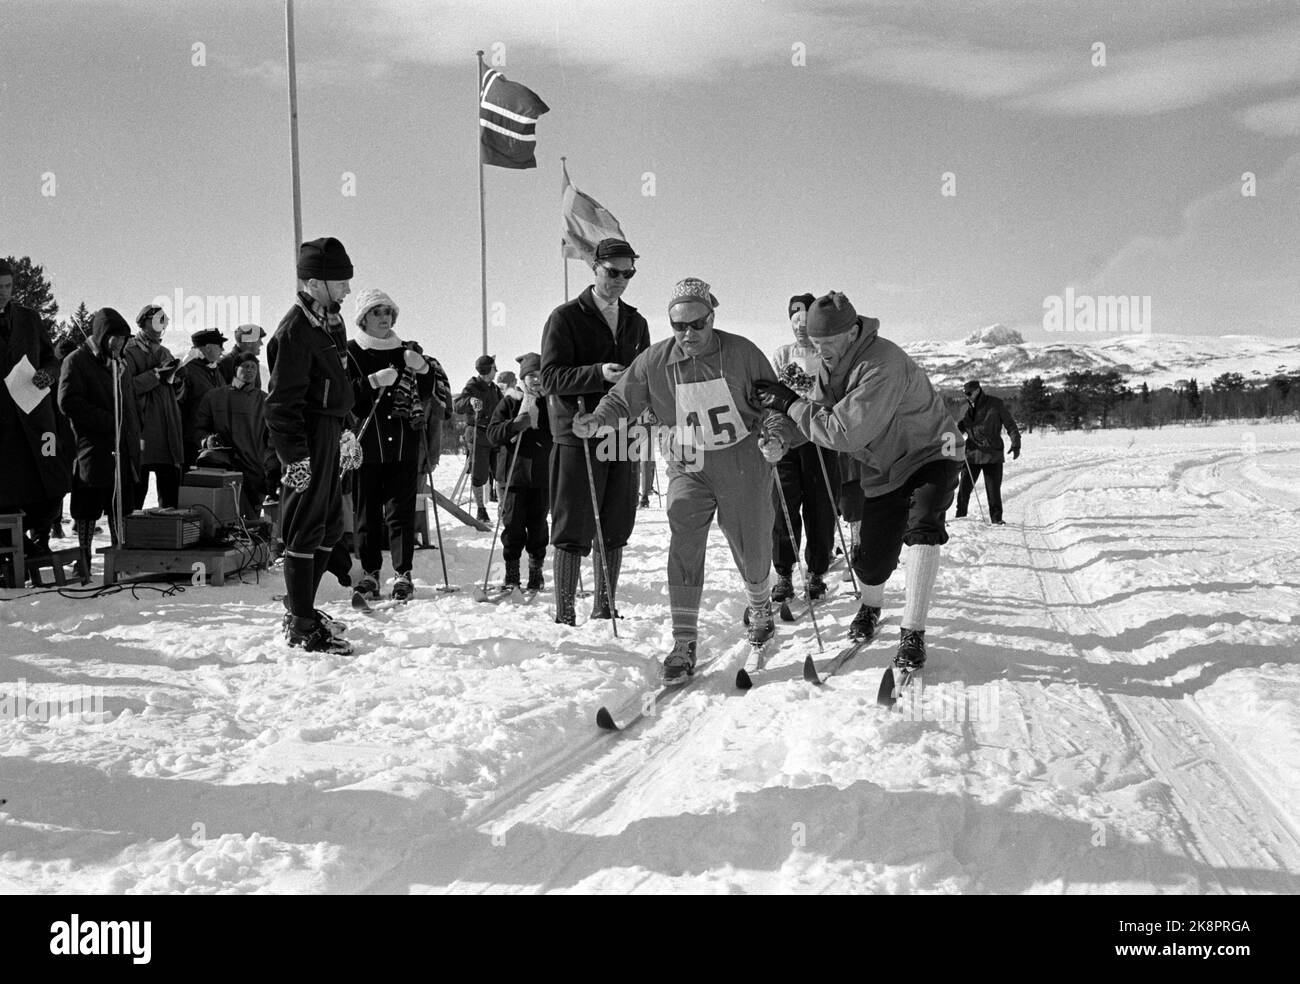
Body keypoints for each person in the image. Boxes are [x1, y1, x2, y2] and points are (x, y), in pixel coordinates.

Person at [574, 277, 793, 681]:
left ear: (712, 317)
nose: (688, 334)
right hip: (688, 461)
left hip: (741, 458)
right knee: (684, 537)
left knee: (752, 542)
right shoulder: (655, 361)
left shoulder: (742, 352)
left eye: (697, 324)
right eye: (679, 326)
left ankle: (760, 605)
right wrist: (598, 420)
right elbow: (622, 399)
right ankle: (684, 639)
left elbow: (773, 403)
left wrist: (776, 436)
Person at [755, 291, 964, 674]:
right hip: (884, 466)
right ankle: (870, 604)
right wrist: (781, 437)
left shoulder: (881, 363)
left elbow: (844, 433)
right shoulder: (829, 367)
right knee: (872, 560)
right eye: (815, 345)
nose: (821, 351)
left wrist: (790, 403)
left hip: (931, 452)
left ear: (852, 333)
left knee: (923, 526)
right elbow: (816, 419)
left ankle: (913, 632)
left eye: (827, 343)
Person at [540, 237, 651, 626]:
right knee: (573, 521)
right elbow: (550, 376)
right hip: (579, 431)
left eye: (628, 273)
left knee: (617, 520)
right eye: (612, 272)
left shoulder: (637, 322)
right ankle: (565, 609)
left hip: (622, 432)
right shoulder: (565, 317)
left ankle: (604, 603)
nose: (620, 280)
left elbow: (645, 375)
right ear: (594, 268)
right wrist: (597, 373)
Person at [265, 237, 360, 654]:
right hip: (306, 438)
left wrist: (346, 429)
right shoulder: (294, 331)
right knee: (304, 528)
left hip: (329, 431)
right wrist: (295, 458)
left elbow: (337, 385)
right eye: (341, 282)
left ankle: (303, 606)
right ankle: (301, 621)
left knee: (329, 526)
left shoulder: (328, 323)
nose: (347, 290)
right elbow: (280, 404)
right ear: (317, 282)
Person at [344, 288, 434, 603]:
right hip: (366, 444)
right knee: (366, 513)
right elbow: (344, 396)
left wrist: (423, 369)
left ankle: (402, 573)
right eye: (376, 312)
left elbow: (427, 390)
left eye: (387, 312)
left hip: (403, 446)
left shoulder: (407, 349)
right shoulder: (351, 352)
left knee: (401, 513)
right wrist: (370, 382)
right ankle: (370, 573)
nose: (384, 318)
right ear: (363, 318)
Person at [57, 308, 141, 575]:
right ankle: (83, 559)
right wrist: (105, 420)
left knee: (120, 505)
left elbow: (129, 404)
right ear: (102, 336)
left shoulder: (121, 364)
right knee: (88, 505)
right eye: (114, 338)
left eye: (123, 339)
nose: (119, 344)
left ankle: (120, 559)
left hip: (122, 445)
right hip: (93, 445)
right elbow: (68, 401)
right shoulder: (77, 360)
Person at [768, 292, 839, 603]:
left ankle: (816, 572)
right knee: (783, 511)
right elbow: (773, 396)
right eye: (794, 320)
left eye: (805, 320)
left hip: (818, 442)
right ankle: (784, 573)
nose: (800, 326)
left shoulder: (828, 354)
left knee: (820, 510)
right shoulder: (783, 355)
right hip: (786, 444)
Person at [0, 259, 71, 563]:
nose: (3, 293)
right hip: (3, 423)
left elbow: (51, 359)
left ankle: (40, 539)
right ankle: (14, 549)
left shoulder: (29, 319)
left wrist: (49, 374)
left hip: (35, 417)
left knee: (51, 480)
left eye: (7, 286)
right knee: (8, 487)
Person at [486, 352, 552, 591]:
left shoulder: (551, 402)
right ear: (523, 378)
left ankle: (536, 572)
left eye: (541, 375)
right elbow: (492, 435)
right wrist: (515, 425)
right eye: (531, 376)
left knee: (538, 527)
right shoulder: (511, 401)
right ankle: (512, 573)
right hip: (512, 476)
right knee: (512, 526)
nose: (536, 380)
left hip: (542, 475)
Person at [194, 351, 273, 519]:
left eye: (254, 367)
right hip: (224, 467)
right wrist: (207, 441)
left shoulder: (264, 401)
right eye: (246, 366)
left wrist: (269, 465)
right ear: (235, 369)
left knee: (251, 520)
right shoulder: (214, 397)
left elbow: (272, 438)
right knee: (224, 516)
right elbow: (198, 429)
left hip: (255, 468)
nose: (250, 370)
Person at [122, 304, 185, 509]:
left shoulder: (165, 351)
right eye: (157, 320)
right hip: (143, 428)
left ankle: (167, 534)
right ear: (144, 322)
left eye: (163, 321)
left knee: (169, 492)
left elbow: (174, 394)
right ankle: (131, 534)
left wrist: (176, 381)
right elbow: (127, 387)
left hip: (167, 430)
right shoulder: (129, 351)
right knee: (137, 490)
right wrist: (156, 374)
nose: (161, 325)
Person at [955, 379, 1020, 525]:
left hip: (992, 454)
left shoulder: (995, 404)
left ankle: (996, 519)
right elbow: (959, 430)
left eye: (969, 393)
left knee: (993, 491)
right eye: (965, 394)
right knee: (963, 490)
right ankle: (960, 518)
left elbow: (1010, 425)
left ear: (978, 390)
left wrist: (1016, 443)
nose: (967, 396)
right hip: (971, 454)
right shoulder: (964, 408)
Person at [453, 354, 501, 522]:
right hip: (478, 434)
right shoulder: (473, 385)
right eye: (494, 367)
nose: (496, 370)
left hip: (495, 435)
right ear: (487, 369)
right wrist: (470, 401)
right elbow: (457, 405)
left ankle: (503, 508)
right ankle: (481, 509)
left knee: (501, 472)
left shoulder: (495, 388)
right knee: (479, 473)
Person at [178, 328, 227, 466]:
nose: (222, 350)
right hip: (192, 442)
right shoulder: (187, 370)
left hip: (212, 440)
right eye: (220, 346)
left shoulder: (214, 370)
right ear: (208, 347)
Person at [218, 324, 265, 388]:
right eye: (259, 340)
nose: (262, 344)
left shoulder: (254, 362)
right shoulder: (224, 364)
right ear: (249, 343)